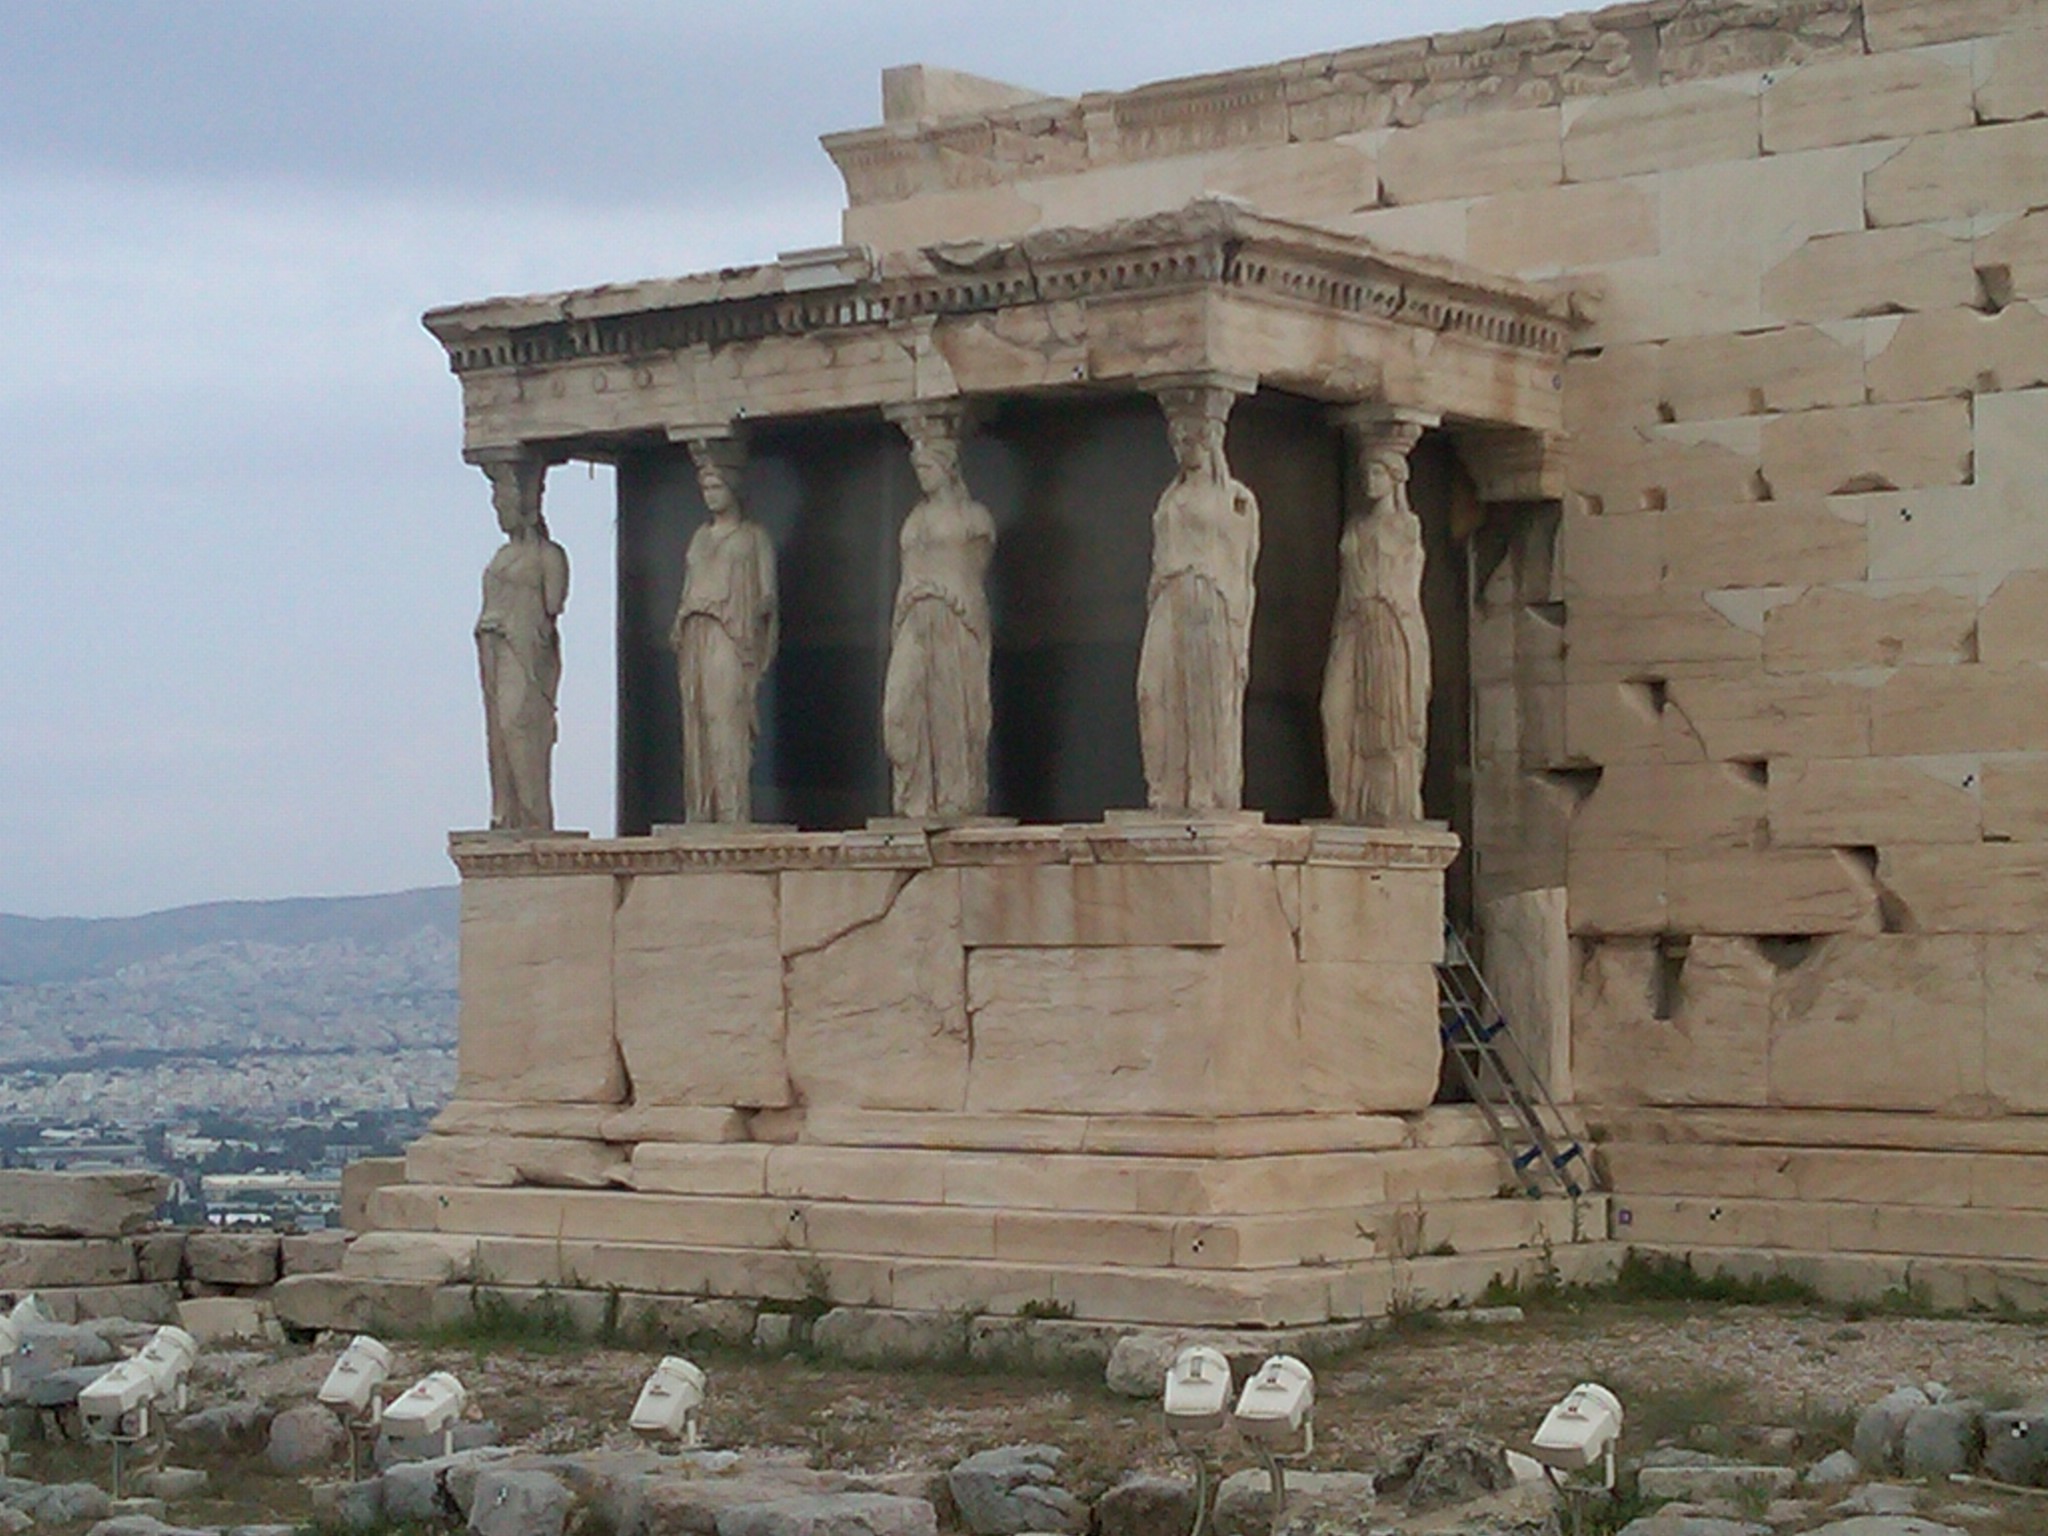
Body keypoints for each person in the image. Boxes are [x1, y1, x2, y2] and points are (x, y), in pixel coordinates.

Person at [1136, 389, 1260, 812]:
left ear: (1211, 439)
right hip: (1168, 598)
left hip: (1211, 599)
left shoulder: (1236, 499)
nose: (1183, 447)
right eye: (1177, 439)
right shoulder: (1169, 497)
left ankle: (1207, 789)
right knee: (1153, 692)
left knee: (1206, 698)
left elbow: (1245, 566)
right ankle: (1167, 788)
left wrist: (1238, 627)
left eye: (1191, 437)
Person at [882, 408, 996, 818]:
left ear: (947, 467)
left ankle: (956, 798)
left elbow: (975, 574)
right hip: (913, 617)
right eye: (917, 466)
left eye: (927, 465)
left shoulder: (975, 519)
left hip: (954, 616)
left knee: (954, 710)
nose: (921, 474)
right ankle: (914, 798)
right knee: (899, 714)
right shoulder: (914, 518)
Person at [1322, 438, 1430, 823]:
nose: (1370, 480)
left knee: (1388, 722)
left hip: (1389, 624)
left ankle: (1388, 806)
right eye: (1366, 472)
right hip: (1353, 622)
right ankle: (1349, 801)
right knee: (1335, 711)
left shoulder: (1406, 526)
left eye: (1378, 472)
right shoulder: (1355, 525)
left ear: (1396, 477)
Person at [671, 442, 778, 823]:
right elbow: (689, 583)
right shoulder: (700, 537)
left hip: (730, 634)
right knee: (697, 721)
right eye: (705, 489)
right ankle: (702, 811)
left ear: (733, 488)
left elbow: (767, 596)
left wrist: (748, 618)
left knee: (725, 718)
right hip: (695, 632)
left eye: (717, 487)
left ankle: (734, 811)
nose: (710, 495)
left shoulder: (753, 537)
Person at [474, 459, 569, 832]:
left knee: (519, 725)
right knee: (499, 732)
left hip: (527, 651)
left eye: (504, 505)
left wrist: (513, 621)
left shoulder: (549, 555)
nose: (499, 512)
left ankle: (535, 819)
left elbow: (553, 604)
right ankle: (508, 815)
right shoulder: (500, 556)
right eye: (496, 505)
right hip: (495, 650)